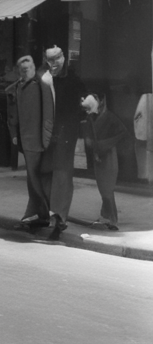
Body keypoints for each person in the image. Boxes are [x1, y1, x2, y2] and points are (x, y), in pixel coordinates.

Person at [39, 45, 86, 239]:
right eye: (50, 59)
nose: (54, 62)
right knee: (45, 174)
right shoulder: (44, 80)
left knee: (62, 176)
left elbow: (82, 107)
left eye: (57, 58)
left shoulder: (74, 80)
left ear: (64, 58)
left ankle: (60, 219)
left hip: (66, 135)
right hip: (48, 134)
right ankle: (48, 214)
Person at [6, 54, 54, 230]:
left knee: (34, 178)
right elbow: (14, 113)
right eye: (23, 68)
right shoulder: (18, 87)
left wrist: (46, 138)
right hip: (25, 139)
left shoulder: (40, 84)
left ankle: (44, 213)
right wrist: (14, 133)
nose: (26, 70)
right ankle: (36, 212)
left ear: (34, 67)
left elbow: (48, 113)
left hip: (36, 140)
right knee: (33, 178)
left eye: (29, 67)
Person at [82, 92, 128, 230]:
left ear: (101, 102)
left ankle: (113, 219)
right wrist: (90, 143)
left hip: (109, 156)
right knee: (103, 188)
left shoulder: (110, 117)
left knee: (107, 189)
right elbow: (88, 135)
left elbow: (123, 132)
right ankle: (105, 215)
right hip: (97, 156)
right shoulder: (91, 117)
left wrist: (106, 144)